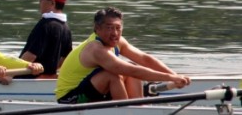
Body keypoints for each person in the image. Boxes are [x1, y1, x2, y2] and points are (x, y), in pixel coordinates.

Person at [55, 7, 191, 104]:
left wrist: (175, 76)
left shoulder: (117, 41)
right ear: (97, 29)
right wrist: (170, 77)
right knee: (114, 75)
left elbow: (144, 59)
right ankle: (126, 111)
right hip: (69, 98)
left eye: (118, 28)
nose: (114, 33)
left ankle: (138, 107)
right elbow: (128, 70)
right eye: (109, 28)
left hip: (91, 89)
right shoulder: (96, 49)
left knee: (131, 67)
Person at [15, 0, 73, 79]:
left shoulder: (45, 25)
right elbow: (66, 57)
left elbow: (30, 56)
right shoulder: (66, 28)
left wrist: (10, 75)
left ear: (52, 3)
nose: (39, 2)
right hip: (46, 79)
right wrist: (49, 74)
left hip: (28, 80)